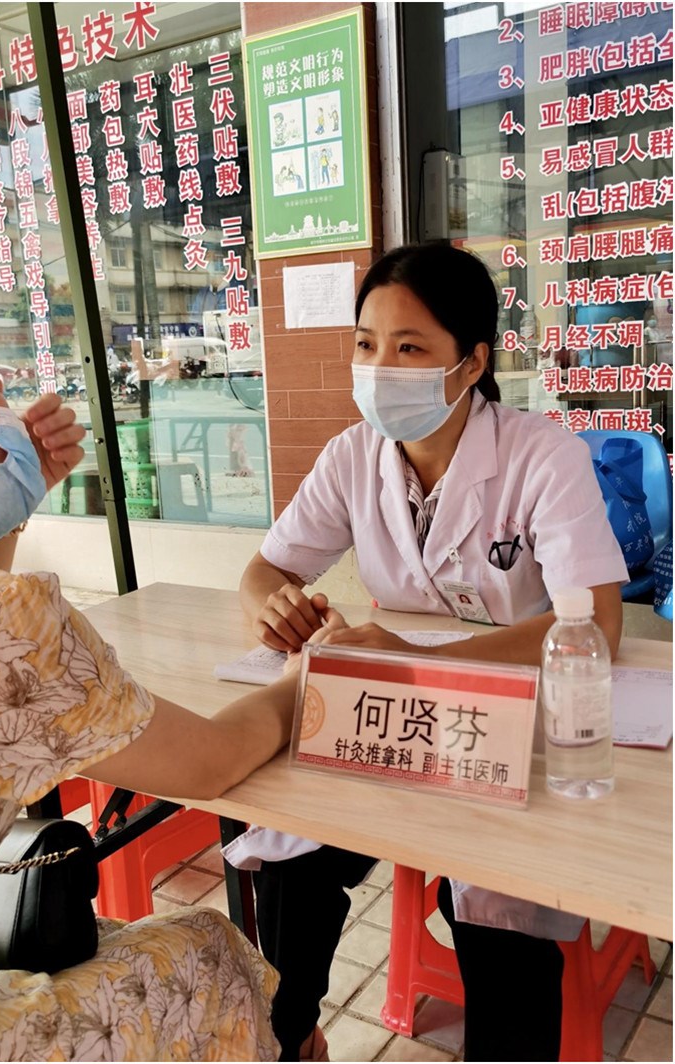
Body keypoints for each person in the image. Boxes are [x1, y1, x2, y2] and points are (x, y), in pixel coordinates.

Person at [0, 277, 304, 1063]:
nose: (5, 403)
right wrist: (305, 681)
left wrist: (11, 503)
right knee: (211, 954)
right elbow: (206, 763)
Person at [238, 244, 628, 1062]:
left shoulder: (541, 454)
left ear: (472, 362)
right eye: (366, 344)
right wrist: (273, 606)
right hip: (387, 720)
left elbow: (595, 624)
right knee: (289, 853)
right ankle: (287, 1038)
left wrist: (416, 659)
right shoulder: (353, 456)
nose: (380, 367)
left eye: (410, 347)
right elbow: (266, 569)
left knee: (500, 913)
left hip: (510, 722)